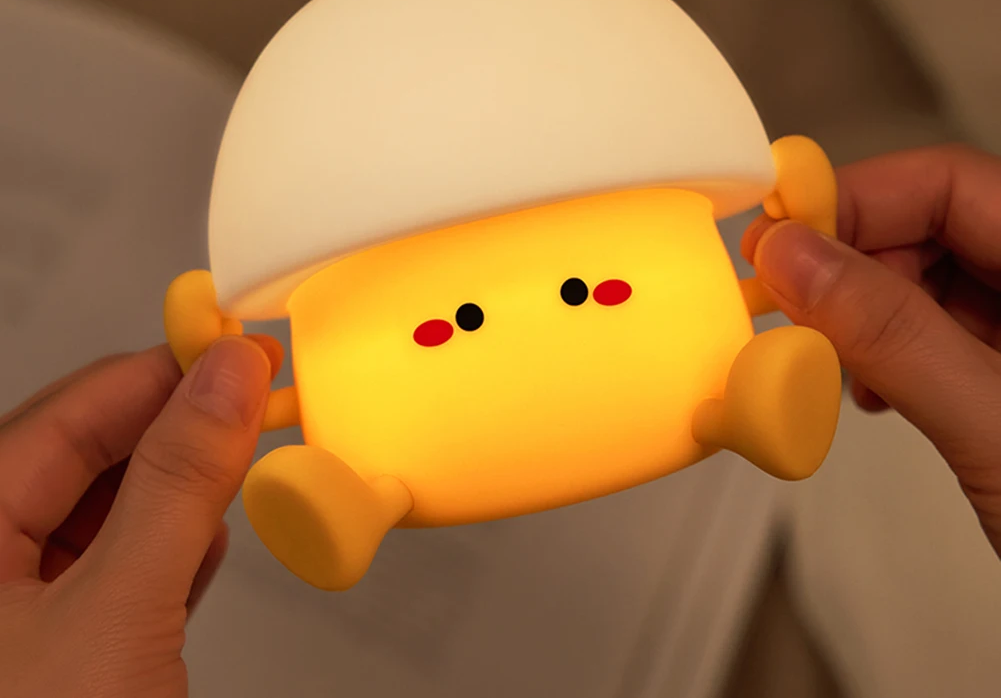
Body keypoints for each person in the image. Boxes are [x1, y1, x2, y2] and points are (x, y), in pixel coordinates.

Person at [2, 143, 999, 696]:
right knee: (376, 449)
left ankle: (747, 404)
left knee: (696, 356)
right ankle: (356, 496)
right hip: (408, 412)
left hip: (677, 352)